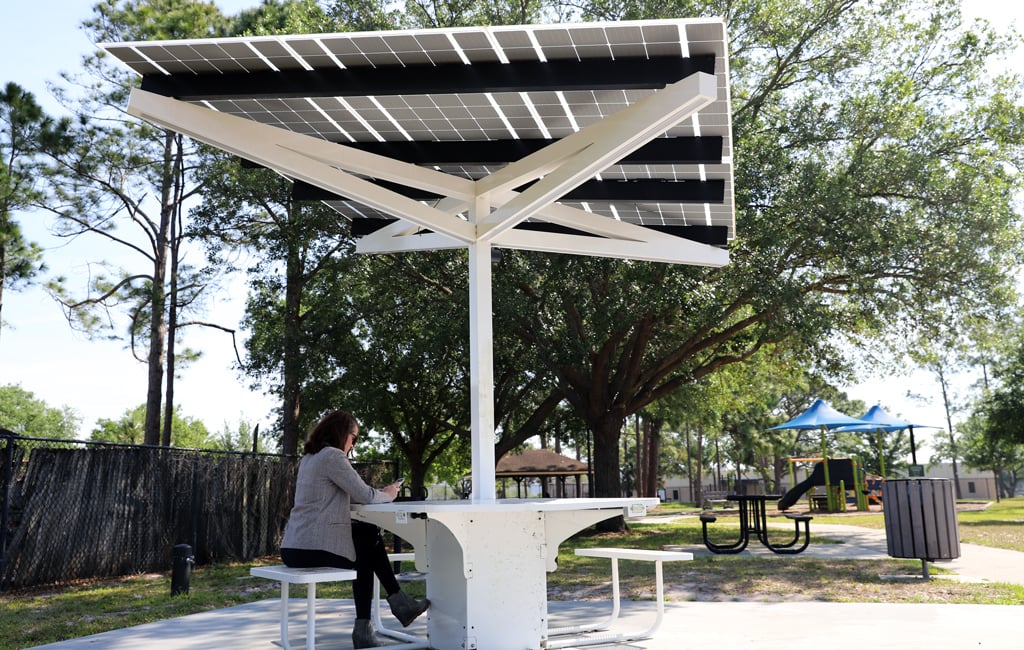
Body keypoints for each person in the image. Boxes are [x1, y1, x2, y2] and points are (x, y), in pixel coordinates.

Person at [281, 409, 429, 648]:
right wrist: (388, 494)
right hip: (312, 548)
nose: (353, 444)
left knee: (364, 541)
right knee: (367, 539)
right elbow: (365, 495)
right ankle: (393, 607)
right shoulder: (333, 457)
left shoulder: (311, 458)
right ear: (342, 434)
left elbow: (350, 498)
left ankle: (379, 618)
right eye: (354, 437)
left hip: (292, 547)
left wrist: (376, 494)